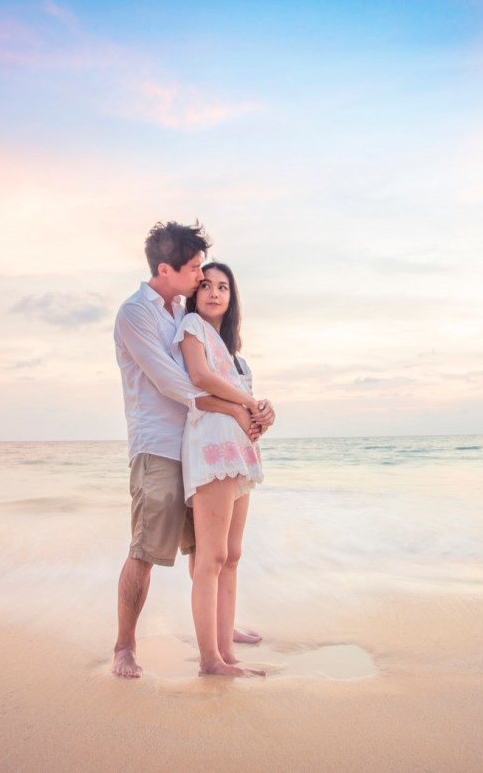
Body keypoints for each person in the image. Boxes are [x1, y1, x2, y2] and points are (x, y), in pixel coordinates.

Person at [111, 222, 273, 679]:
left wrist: (254, 408)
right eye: (195, 269)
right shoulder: (136, 314)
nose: (202, 279)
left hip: (199, 443)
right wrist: (241, 409)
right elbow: (176, 383)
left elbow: (222, 370)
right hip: (159, 446)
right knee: (145, 550)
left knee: (207, 553)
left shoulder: (185, 310)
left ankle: (218, 634)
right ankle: (125, 646)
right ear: (166, 269)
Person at [174, 262, 269, 676]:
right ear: (194, 294)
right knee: (210, 557)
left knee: (232, 555)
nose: (214, 293)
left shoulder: (236, 356)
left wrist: (265, 410)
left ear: (232, 298)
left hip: (239, 450)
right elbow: (199, 379)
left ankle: (227, 650)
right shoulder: (192, 326)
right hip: (212, 446)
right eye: (206, 285)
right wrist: (249, 404)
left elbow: (245, 400)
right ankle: (210, 660)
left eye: (223, 287)